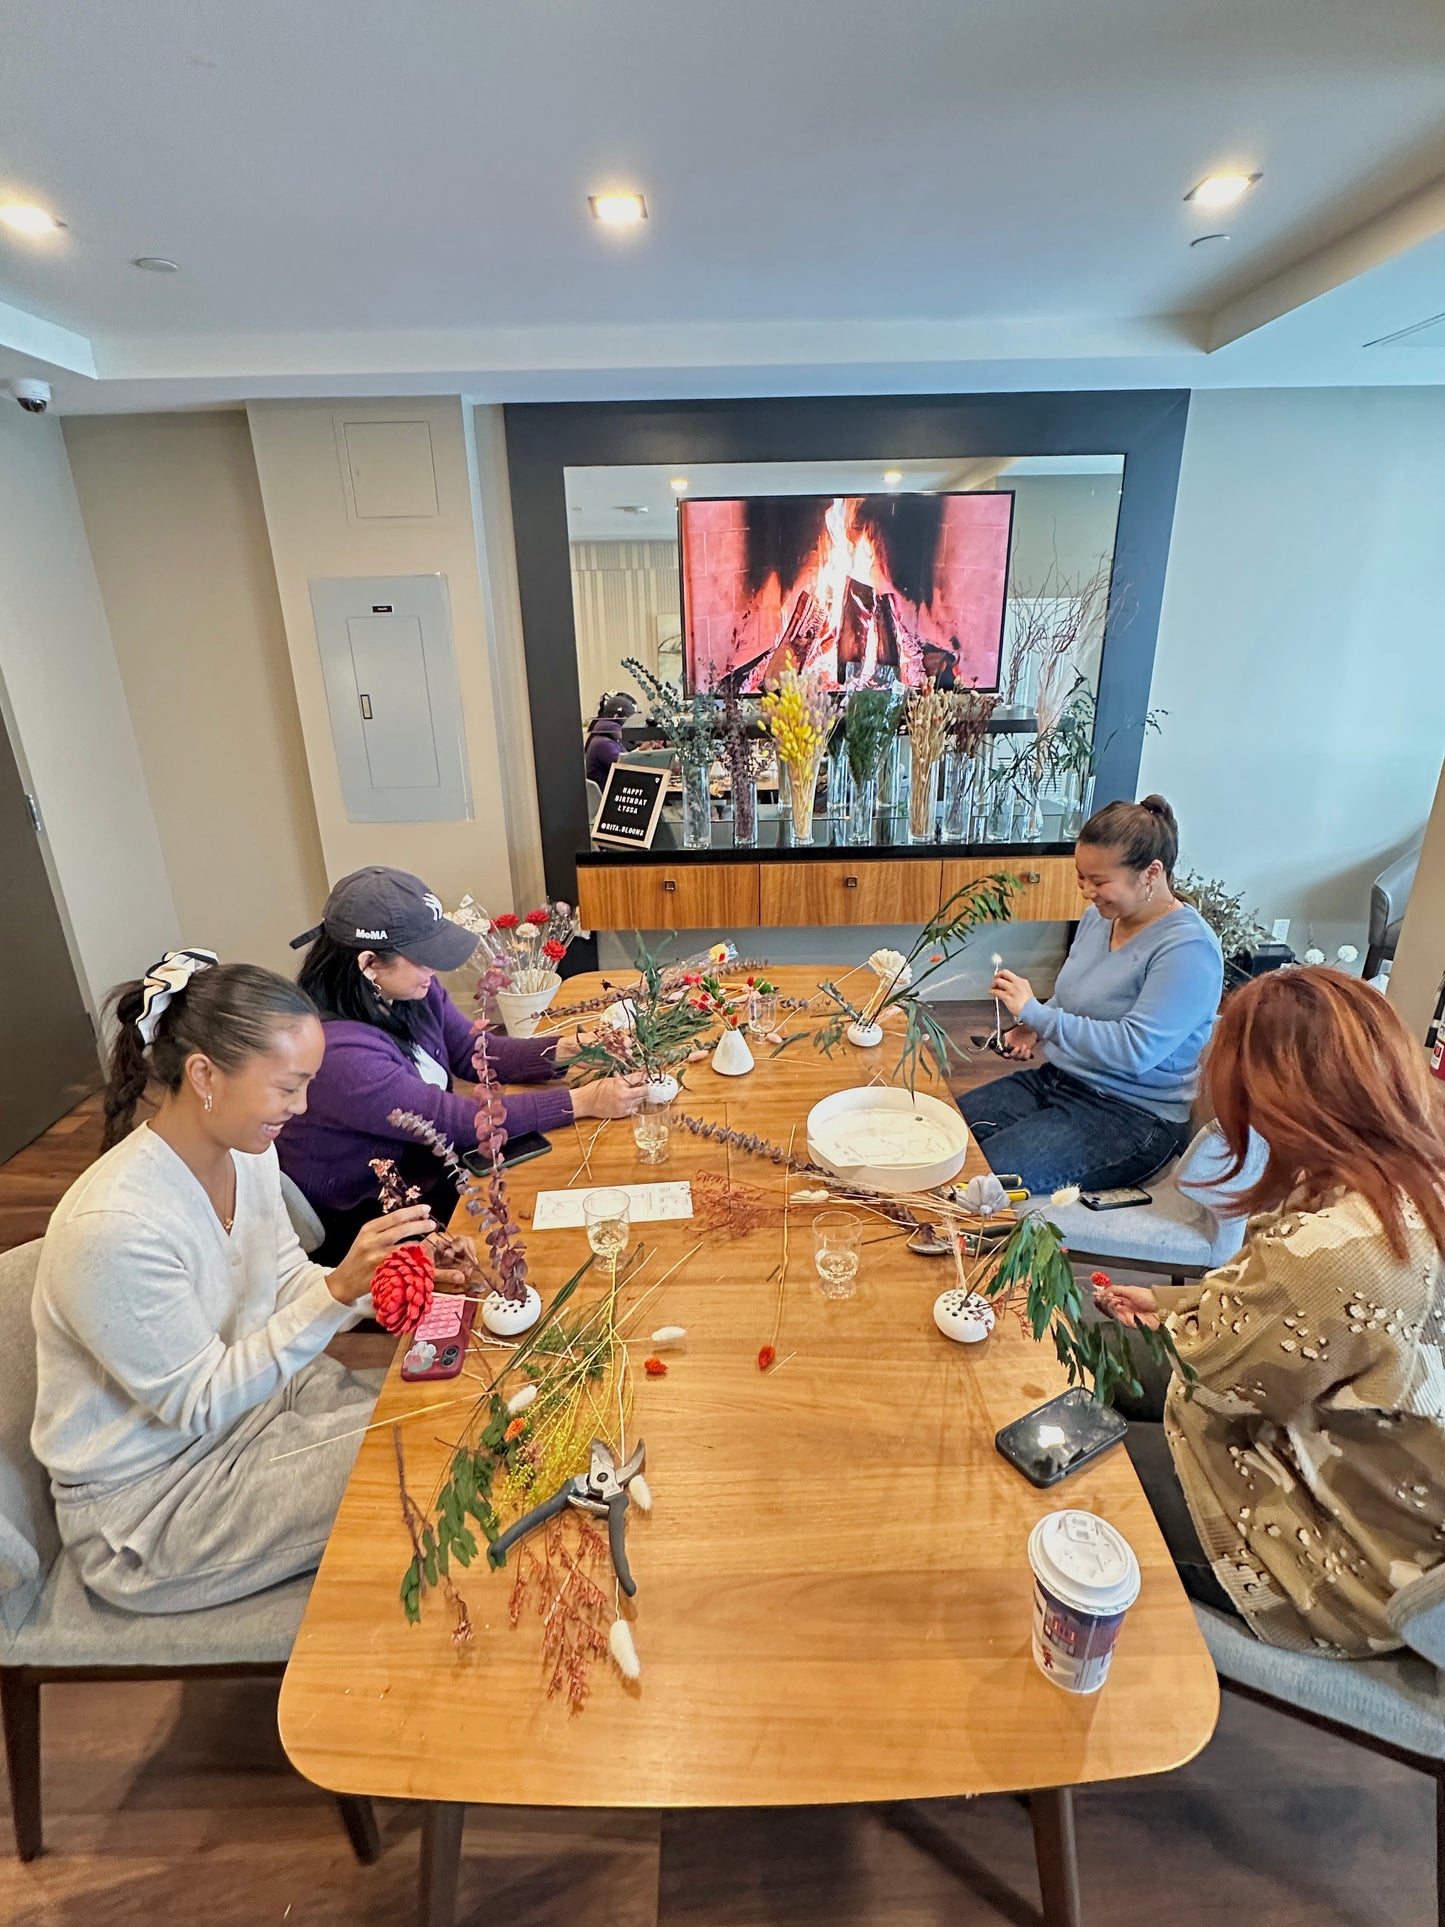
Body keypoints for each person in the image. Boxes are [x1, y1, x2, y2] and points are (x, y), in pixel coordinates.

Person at [30, 952, 443, 1614]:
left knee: (441, 1412)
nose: (302, 1105)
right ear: (204, 1076)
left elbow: (279, 1279)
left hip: (251, 1409)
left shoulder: (246, 1151)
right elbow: (198, 1403)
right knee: (435, 1446)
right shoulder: (114, 1226)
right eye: (287, 1086)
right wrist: (337, 1294)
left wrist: (374, 1277)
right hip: (156, 1506)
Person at [1094, 967, 1445, 1657]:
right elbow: (1264, 1321)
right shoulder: (1407, 1171)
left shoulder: (1335, 1250)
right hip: (1390, 1496)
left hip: (1338, 1551)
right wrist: (1172, 1306)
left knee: (1078, 1464)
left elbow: (1215, 1378)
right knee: (1086, 1360)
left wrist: (1179, 1322)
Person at [281, 867, 643, 1260]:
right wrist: (583, 1102)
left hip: (434, 1170)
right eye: (423, 958)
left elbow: (473, 1049)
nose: (433, 970)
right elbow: (456, 1121)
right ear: (369, 965)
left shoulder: (407, 990)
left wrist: (567, 1048)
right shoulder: (337, 1055)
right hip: (373, 1221)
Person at [960, 796, 1222, 1194]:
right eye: (1081, 877)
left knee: (975, 1181)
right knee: (941, 1137)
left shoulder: (1188, 950)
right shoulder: (1100, 919)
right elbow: (1073, 999)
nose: (1086, 892)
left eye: (1099, 881)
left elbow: (1136, 1051)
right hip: (1061, 1080)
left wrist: (1041, 1015)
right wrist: (1033, 1027)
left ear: (1152, 873)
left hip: (1132, 1116)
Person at [584, 692, 637, 789]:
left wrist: (641, 750)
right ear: (616, 717)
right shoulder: (604, 744)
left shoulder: (605, 737)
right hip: (609, 798)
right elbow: (626, 769)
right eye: (628, 719)